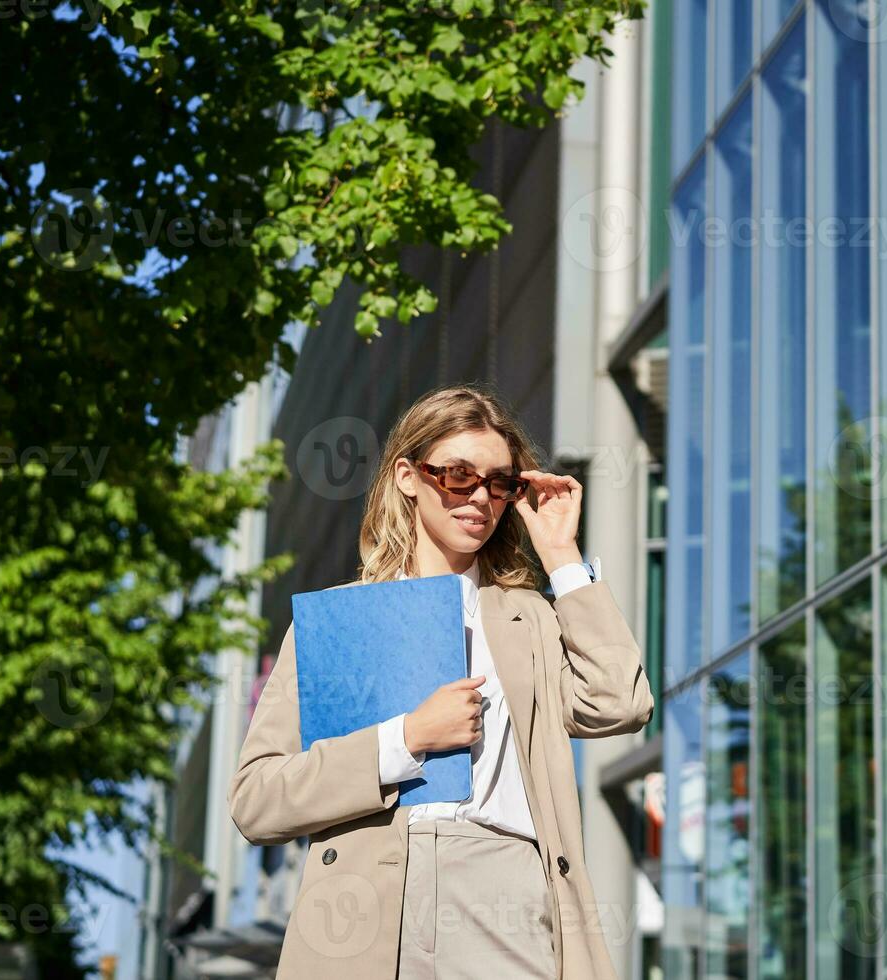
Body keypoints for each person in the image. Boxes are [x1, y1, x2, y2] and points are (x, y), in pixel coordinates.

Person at [228, 383, 654, 979]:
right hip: (363, 905)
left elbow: (620, 701)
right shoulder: (340, 620)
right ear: (408, 475)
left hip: (503, 893)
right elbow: (257, 800)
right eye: (458, 475)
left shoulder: (527, 615)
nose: (480, 496)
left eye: (500, 482)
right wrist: (405, 739)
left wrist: (561, 557)